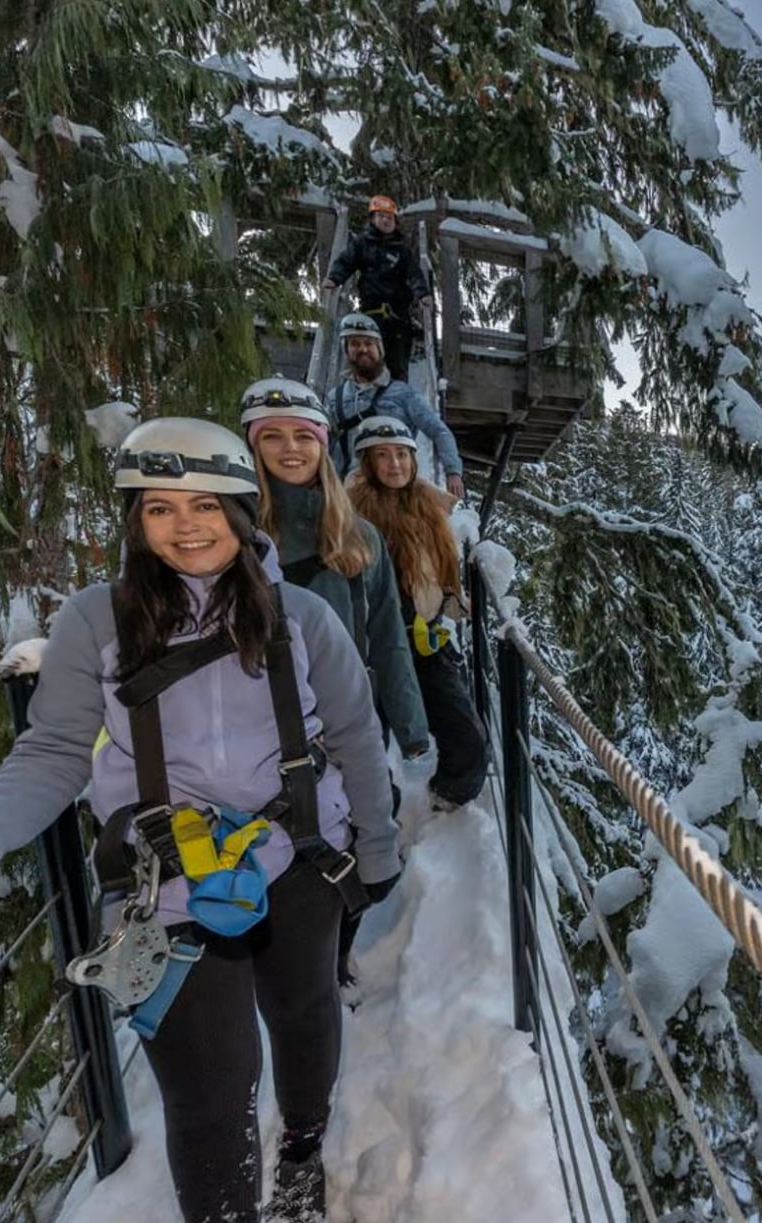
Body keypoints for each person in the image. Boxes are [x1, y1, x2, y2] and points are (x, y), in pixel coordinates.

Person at [0, 417, 400, 1223]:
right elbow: (55, 750)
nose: (185, 526)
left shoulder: (302, 618)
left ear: (241, 511)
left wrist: (377, 846)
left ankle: (301, 1149)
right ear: (134, 519)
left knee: (303, 1014)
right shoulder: (98, 622)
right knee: (210, 1090)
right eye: (159, 507)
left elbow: (355, 734)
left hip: (297, 855)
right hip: (166, 882)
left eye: (206, 505)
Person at [239, 379, 430, 998]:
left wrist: (411, 726)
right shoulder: (232, 535)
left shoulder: (358, 538)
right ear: (251, 445)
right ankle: (280, 971)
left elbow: (388, 638)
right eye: (273, 437)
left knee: (355, 838)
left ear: (324, 445)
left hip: (342, 723)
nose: (291, 449)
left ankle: (331, 958)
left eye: (304, 436)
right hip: (258, 727)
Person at [347, 416, 488, 808]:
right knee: (365, 746)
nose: (395, 464)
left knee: (468, 738)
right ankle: (375, 819)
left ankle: (447, 798)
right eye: (382, 455)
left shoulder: (427, 506)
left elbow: (435, 568)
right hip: (371, 645)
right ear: (367, 462)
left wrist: (452, 601)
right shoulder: (347, 514)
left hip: (424, 639)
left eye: (402, 454)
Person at [324, 313, 467, 503]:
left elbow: (438, 430)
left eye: (368, 343)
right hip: (348, 493)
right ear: (347, 350)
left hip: (394, 492)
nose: (362, 349)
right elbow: (322, 442)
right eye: (355, 344)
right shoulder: (335, 398)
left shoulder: (403, 394)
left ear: (379, 349)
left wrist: (453, 471)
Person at [320, 194, 431, 382]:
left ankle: (396, 395)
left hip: (398, 318)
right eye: (381, 216)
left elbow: (414, 274)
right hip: (371, 314)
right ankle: (366, 392)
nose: (386, 221)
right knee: (369, 361)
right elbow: (346, 262)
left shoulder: (402, 251)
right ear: (372, 219)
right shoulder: (362, 244)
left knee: (397, 366)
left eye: (389, 218)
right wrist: (334, 279)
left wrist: (423, 294)